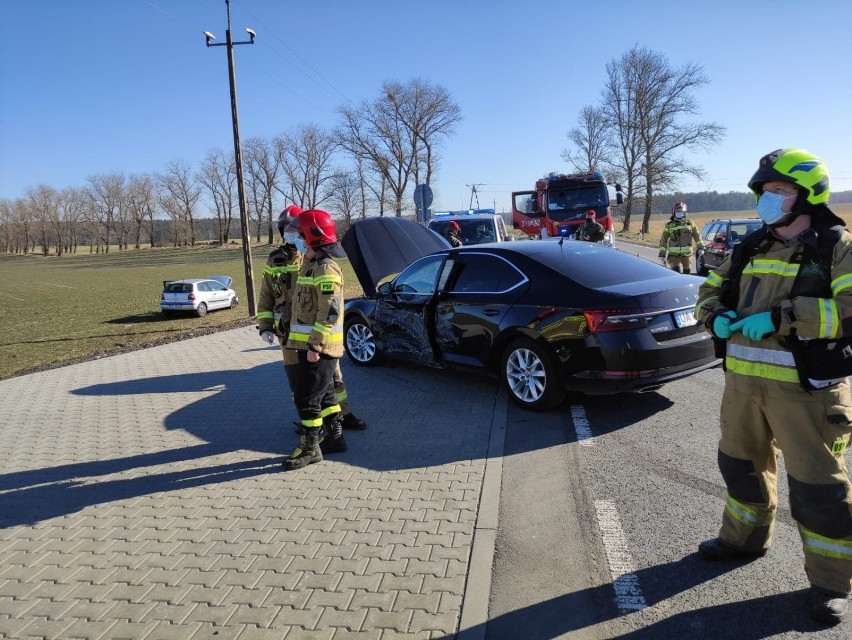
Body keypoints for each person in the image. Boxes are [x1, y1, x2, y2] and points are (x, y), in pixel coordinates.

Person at [694, 148, 852, 625]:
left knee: (819, 491)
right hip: (743, 387)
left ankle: (830, 584)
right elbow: (708, 290)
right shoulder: (751, 246)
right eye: (764, 192)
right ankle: (743, 540)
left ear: (807, 195)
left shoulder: (836, 247)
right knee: (740, 467)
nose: (768, 200)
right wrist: (714, 316)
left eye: (778, 192)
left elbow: (849, 309)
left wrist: (784, 317)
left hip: (808, 392)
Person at [258, 205, 367, 435]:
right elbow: (266, 294)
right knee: (298, 381)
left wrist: (319, 338)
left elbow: (329, 305)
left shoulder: (314, 260)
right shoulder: (274, 260)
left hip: (317, 333)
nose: (290, 234)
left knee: (332, 379)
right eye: (285, 229)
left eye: (294, 230)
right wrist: (265, 326)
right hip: (287, 334)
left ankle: (342, 415)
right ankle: (310, 421)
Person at [281, 209, 349, 470]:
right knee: (326, 394)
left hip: (318, 348)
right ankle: (335, 438)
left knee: (306, 399)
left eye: (300, 235)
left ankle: (310, 449)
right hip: (308, 346)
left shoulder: (325, 268)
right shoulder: (310, 265)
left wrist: (315, 346)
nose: (297, 239)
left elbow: (329, 311)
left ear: (312, 236)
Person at [658, 201, 704, 273]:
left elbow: (697, 235)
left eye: (681, 211)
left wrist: (701, 247)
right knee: (677, 271)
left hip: (687, 255)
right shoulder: (669, 225)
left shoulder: (690, 224)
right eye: (677, 211)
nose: (679, 213)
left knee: (687, 272)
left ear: (685, 213)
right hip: (673, 256)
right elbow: (664, 240)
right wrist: (662, 254)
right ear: (673, 212)